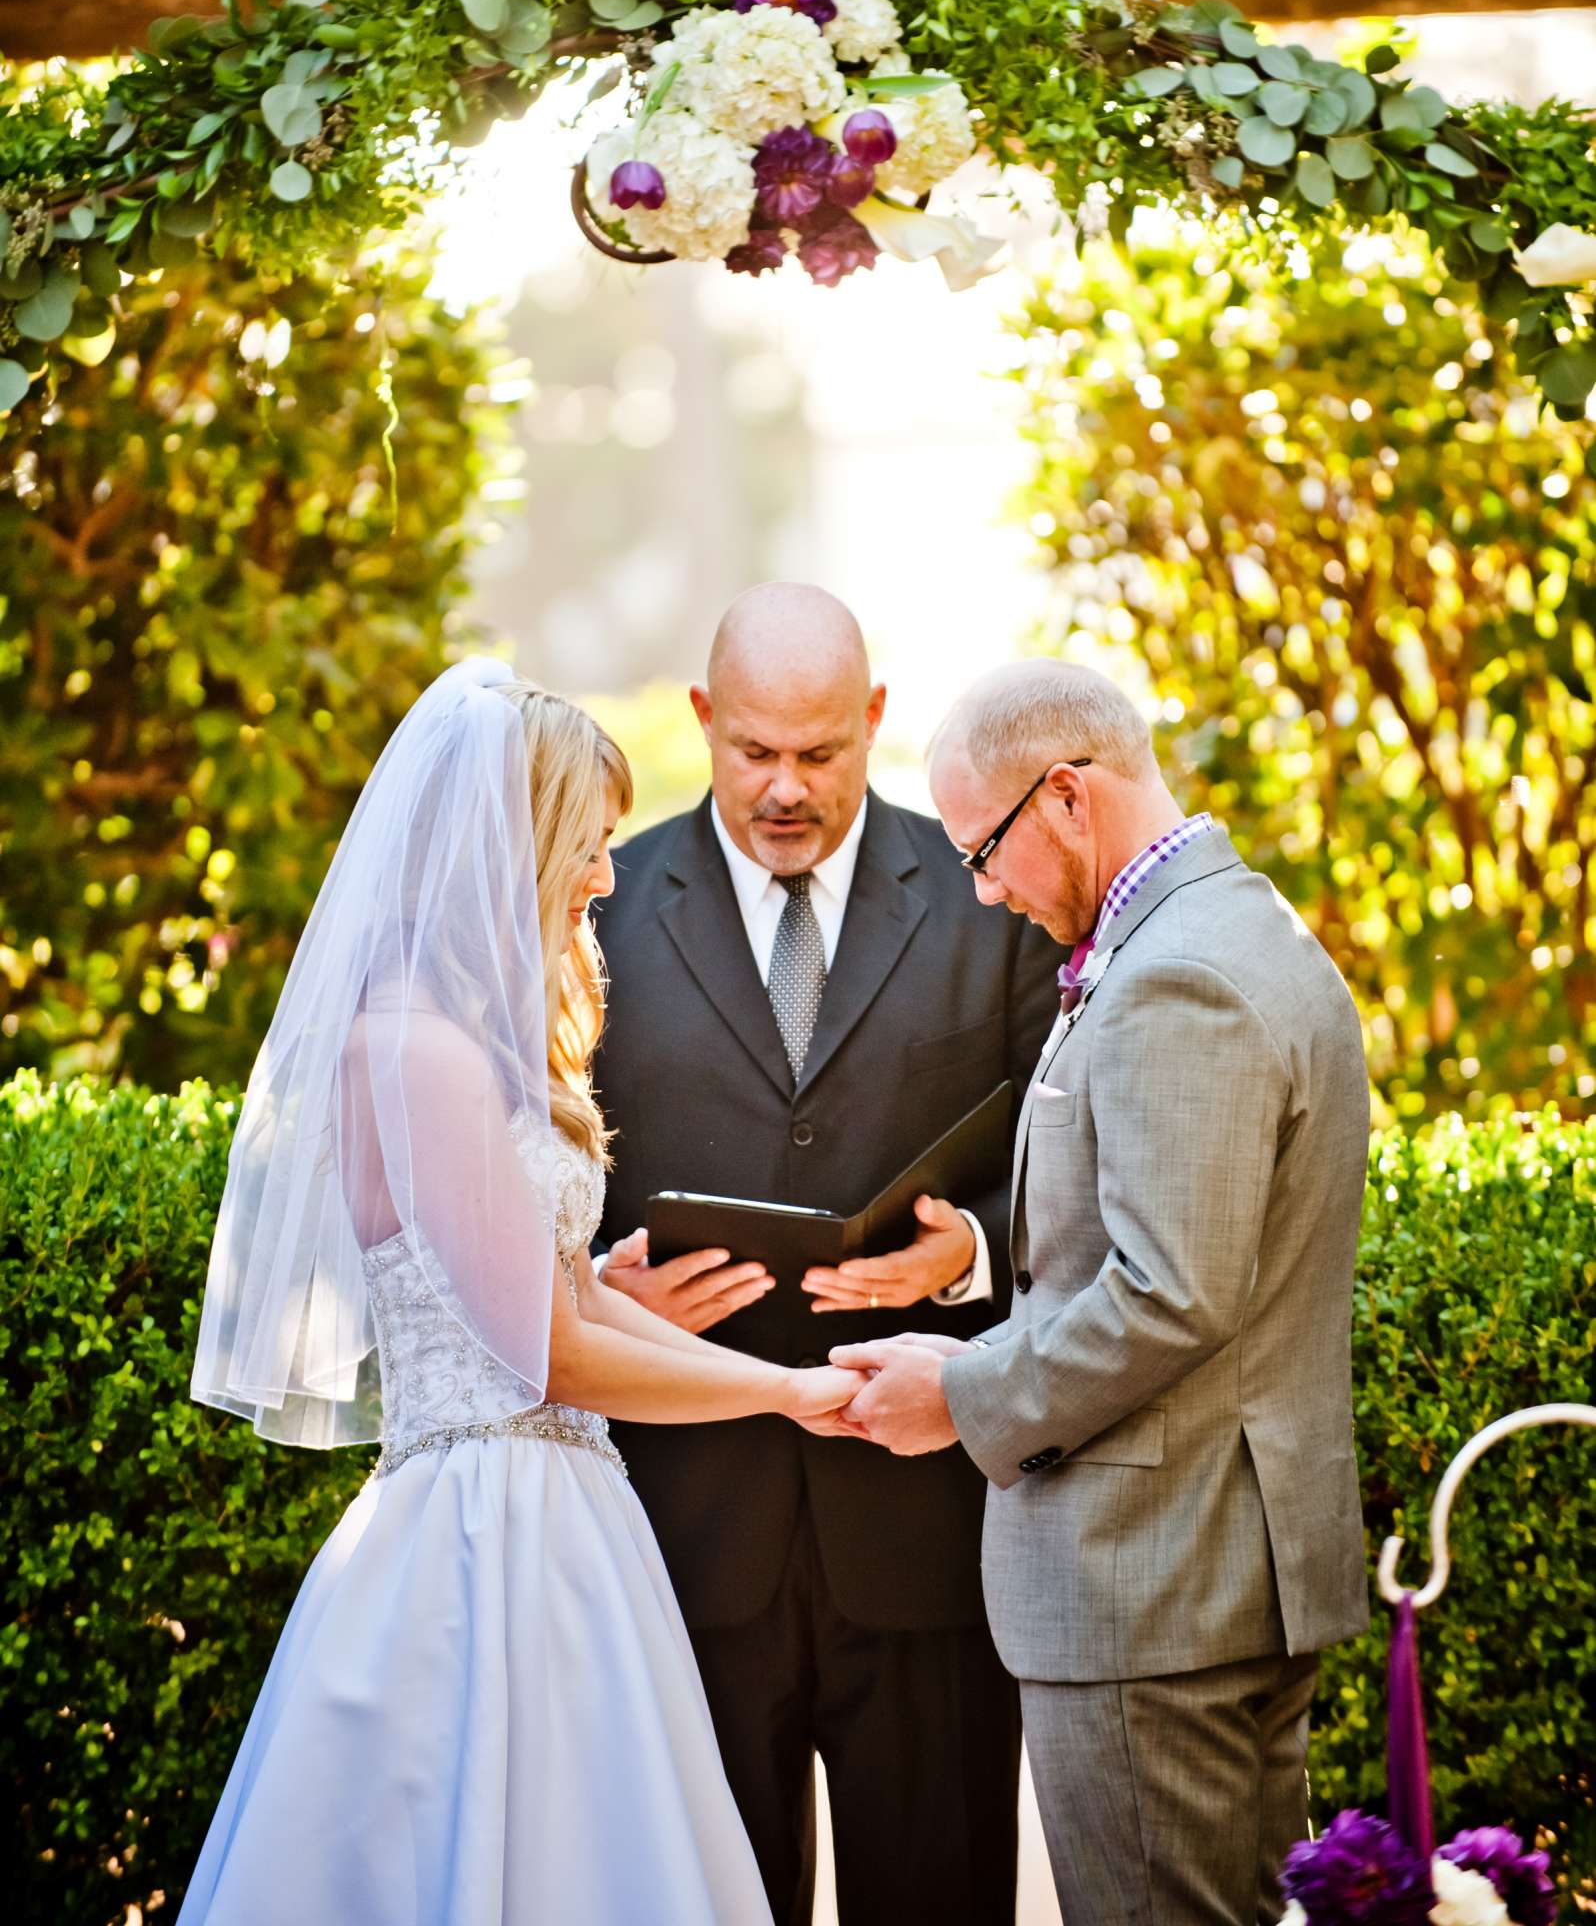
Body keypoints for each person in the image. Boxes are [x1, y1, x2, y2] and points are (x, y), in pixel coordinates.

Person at [179, 658, 859, 1926]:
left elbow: (551, 1310)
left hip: (559, 1514)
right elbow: (545, 1360)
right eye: (586, 845)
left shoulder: (460, 1046)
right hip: (483, 1534)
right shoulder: (418, 1049)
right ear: (516, 843)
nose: (606, 876)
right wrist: (787, 1390)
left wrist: (615, 1294)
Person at [833, 658, 1371, 1926]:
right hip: (1211, 1576)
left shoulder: (1177, 976)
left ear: (1068, 797)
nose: (982, 891)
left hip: (1156, 1592)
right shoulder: (1235, 930)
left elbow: (1170, 1295)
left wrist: (959, 1393)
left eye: (986, 850)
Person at [592, 587, 1060, 1926]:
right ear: (701, 721)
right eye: (753, 753)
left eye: (820, 752)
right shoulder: (602, 914)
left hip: (926, 1538)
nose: (786, 787)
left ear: (874, 722)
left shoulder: (991, 908)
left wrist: (966, 1253)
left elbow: (1069, 1157)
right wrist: (606, 1288)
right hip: (685, 1540)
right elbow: (531, 1178)